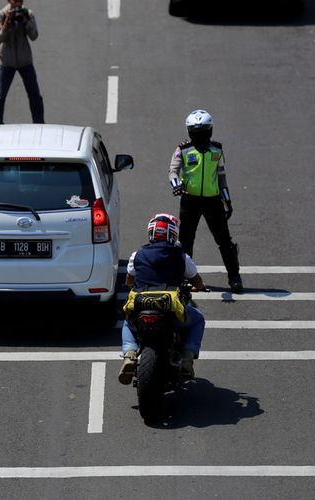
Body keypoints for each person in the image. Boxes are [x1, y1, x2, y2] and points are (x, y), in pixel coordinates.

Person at [118, 213, 207, 385]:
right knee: (198, 320)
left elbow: (129, 281)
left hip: (141, 305)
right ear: (173, 234)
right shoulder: (182, 256)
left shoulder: (137, 255)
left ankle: (129, 355)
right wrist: (200, 287)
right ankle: (188, 357)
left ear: (151, 233)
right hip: (171, 308)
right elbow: (197, 281)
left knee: (129, 323)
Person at [168, 109, 244, 293]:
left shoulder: (217, 150)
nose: (199, 136)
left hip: (213, 202)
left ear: (210, 131)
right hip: (189, 201)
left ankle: (234, 277)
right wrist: (176, 185)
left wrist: (227, 201)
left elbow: (221, 177)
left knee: (225, 241)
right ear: (189, 133)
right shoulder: (183, 149)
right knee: (186, 242)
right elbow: (173, 171)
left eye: (203, 132)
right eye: (196, 133)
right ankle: (186, 279)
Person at [0, 0, 44, 125]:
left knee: (35, 95)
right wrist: (7, 22)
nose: (18, 4)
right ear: (9, 1)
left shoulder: (28, 13)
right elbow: (1, 37)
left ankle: (39, 123)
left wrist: (26, 22)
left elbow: (34, 36)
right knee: (0, 96)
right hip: (6, 61)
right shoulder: (1, 14)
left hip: (24, 60)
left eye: (20, 1)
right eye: (15, 1)